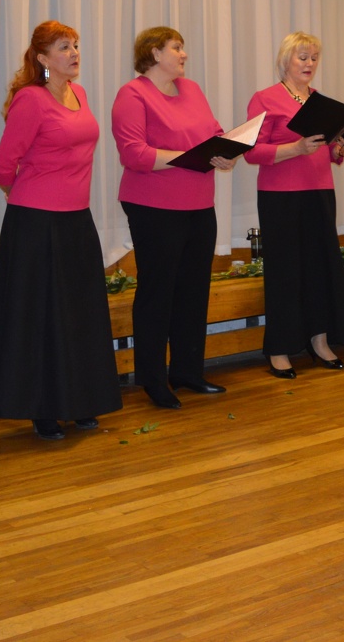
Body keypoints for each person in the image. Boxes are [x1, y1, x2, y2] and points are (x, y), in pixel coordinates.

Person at [0, 20, 124, 440]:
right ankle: (42, 409)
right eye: (64, 47)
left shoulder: (80, 94)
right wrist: (24, 195)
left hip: (76, 220)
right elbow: (2, 166)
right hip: (36, 224)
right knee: (40, 319)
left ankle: (81, 401)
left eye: (76, 45)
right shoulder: (30, 100)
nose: (74, 53)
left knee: (79, 315)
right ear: (43, 58)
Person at [111, 26, 236, 410]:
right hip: (154, 207)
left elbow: (214, 134)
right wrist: (189, 156)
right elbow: (134, 154)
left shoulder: (192, 89)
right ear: (154, 53)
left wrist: (226, 152)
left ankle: (187, 371)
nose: (183, 54)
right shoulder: (132, 94)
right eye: (176, 47)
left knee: (194, 291)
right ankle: (153, 379)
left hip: (199, 203)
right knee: (158, 293)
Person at [244, 32, 344, 379]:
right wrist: (295, 148)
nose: (309, 64)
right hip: (281, 196)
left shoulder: (320, 101)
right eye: (302, 57)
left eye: (313, 58)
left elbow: (328, 152)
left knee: (319, 268)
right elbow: (251, 152)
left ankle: (319, 341)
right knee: (285, 271)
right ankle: (279, 349)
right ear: (286, 61)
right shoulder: (265, 98)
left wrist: (340, 148)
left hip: (320, 191)